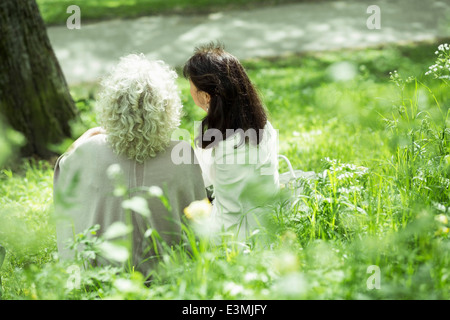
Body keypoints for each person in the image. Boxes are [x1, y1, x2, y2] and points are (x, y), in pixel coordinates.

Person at [53, 54, 206, 280]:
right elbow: (198, 222)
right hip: (168, 274)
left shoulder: (88, 151)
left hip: (100, 275)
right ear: (167, 108)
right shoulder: (181, 152)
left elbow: (62, 177)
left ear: (112, 104)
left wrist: (85, 137)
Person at [183, 42, 280, 242]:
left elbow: (228, 213)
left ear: (205, 96)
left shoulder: (227, 146)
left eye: (191, 86)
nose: (190, 91)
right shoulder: (262, 127)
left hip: (236, 241)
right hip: (268, 229)